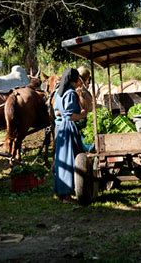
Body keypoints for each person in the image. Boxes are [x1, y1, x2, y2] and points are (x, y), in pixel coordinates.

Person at [53, 68, 87, 202]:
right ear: (75, 79)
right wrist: (83, 114)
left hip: (61, 129)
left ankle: (61, 193)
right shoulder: (71, 93)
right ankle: (67, 195)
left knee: (61, 160)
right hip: (69, 129)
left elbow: (57, 113)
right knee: (69, 160)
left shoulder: (59, 93)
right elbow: (70, 116)